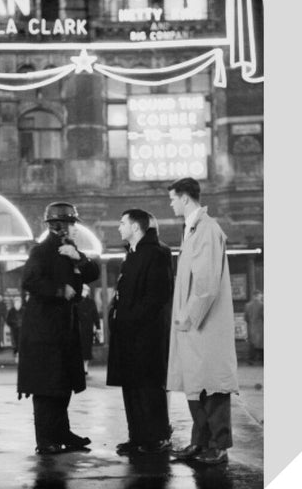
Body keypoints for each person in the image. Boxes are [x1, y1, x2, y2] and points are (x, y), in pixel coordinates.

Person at [17, 201, 100, 455]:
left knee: (62, 385)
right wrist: (58, 290)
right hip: (44, 331)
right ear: (60, 226)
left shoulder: (70, 249)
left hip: (63, 329)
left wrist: (80, 258)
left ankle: (62, 433)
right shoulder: (41, 251)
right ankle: (46, 440)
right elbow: (29, 281)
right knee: (46, 387)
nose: (76, 229)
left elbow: (93, 273)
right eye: (73, 224)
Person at [167, 177, 238, 466]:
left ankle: (218, 445)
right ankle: (200, 442)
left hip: (203, 324)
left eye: (172, 198)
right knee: (197, 383)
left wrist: (188, 316)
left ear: (185, 198)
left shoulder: (207, 229)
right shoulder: (194, 229)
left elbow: (206, 283)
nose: (170, 203)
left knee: (213, 385)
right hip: (194, 327)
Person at [107, 209, 174, 455]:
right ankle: (137, 437)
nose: (118, 227)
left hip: (146, 336)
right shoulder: (132, 253)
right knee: (131, 387)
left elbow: (157, 296)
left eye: (122, 222)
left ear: (136, 227)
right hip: (128, 334)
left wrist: (129, 318)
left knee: (148, 388)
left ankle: (156, 437)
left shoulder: (157, 253)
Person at [76, 285, 100, 375]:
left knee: (87, 349)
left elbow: (95, 315)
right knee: (80, 348)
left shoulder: (90, 302)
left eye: (86, 290)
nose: (85, 292)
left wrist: (98, 327)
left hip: (88, 329)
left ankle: (85, 367)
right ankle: (81, 367)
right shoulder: (77, 301)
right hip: (79, 329)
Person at [244, 291, 263, 365]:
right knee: (262, 343)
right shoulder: (262, 305)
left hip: (251, 327)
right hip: (261, 327)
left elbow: (245, 318)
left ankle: (251, 360)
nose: (261, 296)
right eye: (261, 295)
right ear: (258, 295)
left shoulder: (247, 305)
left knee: (252, 343)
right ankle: (262, 360)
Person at [6, 296, 25, 362]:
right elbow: (8, 320)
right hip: (14, 329)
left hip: (22, 329)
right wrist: (13, 324)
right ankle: (16, 352)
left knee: (21, 341)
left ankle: (21, 353)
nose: (17, 304)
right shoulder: (11, 311)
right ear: (14, 303)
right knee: (15, 341)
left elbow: (27, 320)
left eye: (19, 302)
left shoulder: (24, 310)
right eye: (16, 303)